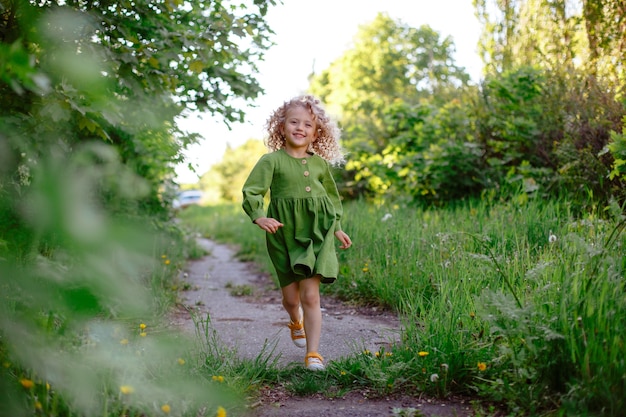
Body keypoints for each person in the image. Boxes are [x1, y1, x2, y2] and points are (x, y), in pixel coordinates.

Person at [241, 95, 352, 371]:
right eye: (294, 122)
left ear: (317, 133)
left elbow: (331, 198)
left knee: (310, 295)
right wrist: (259, 216)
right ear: (281, 127)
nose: (300, 128)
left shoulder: (320, 165)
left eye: (307, 125)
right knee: (291, 299)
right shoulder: (271, 161)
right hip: (283, 234)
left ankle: (313, 354)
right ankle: (295, 320)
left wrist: (336, 227)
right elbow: (252, 191)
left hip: (317, 234)